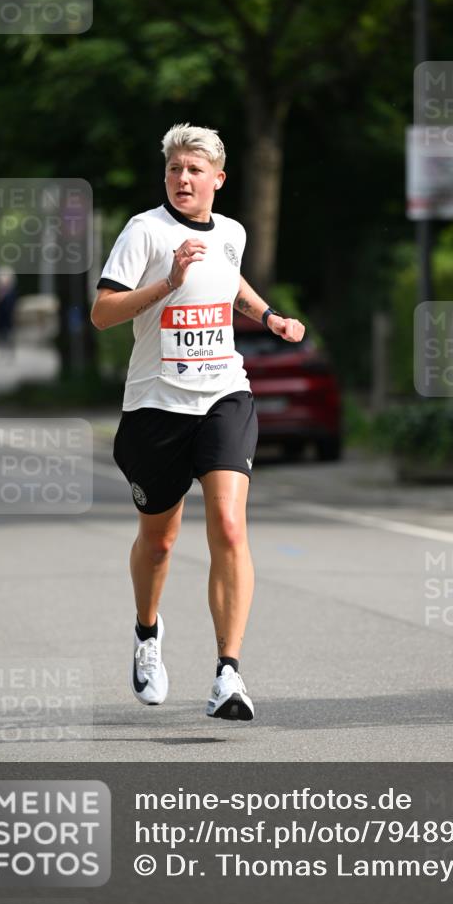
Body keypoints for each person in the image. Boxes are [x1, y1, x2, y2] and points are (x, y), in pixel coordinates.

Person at [91, 123, 304, 721]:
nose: (182, 180)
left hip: (223, 395)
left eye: (193, 170)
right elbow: (102, 312)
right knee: (159, 543)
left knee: (231, 529)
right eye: (174, 170)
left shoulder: (231, 232)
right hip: (156, 408)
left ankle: (228, 675)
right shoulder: (144, 231)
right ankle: (147, 633)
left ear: (218, 180)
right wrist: (168, 283)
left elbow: (231, 282)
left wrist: (271, 316)